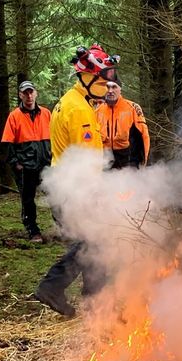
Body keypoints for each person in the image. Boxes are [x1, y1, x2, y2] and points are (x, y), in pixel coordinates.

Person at [34, 44, 119, 317]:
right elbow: (89, 160)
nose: (108, 85)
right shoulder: (79, 111)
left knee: (94, 243)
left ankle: (95, 302)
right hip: (76, 188)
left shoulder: (73, 102)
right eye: (104, 80)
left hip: (67, 184)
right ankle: (52, 287)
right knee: (91, 244)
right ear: (87, 77)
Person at [2, 80, 52, 243]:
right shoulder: (14, 116)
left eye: (31, 92)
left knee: (55, 195)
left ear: (36, 93)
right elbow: (7, 143)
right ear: (20, 95)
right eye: (25, 92)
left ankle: (63, 227)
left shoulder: (46, 113)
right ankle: (33, 230)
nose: (29, 95)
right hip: (25, 167)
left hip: (45, 165)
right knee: (28, 199)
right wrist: (16, 163)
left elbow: (55, 136)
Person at [97, 80, 150, 169]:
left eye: (114, 87)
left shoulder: (132, 108)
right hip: (105, 160)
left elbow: (143, 135)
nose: (110, 91)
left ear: (120, 89)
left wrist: (143, 161)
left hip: (128, 159)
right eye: (107, 87)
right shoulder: (98, 110)